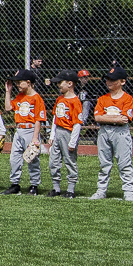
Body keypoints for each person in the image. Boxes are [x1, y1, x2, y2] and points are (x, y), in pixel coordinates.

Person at [92, 67, 133, 201]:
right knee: (104, 163)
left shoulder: (128, 99)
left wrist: (107, 117)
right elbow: (97, 118)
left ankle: (128, 191)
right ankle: (101, 190)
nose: (109, 82)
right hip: (104, 131)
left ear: (122, 82)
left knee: (124, 162)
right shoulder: (102, 99)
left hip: (120, 133)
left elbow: (124, 119)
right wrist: (115, 118)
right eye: (108, 79)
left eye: (113, 80)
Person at [4, 69, 47, 195]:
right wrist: (8, 91)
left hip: (31, 130)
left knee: (32, 159)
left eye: (19, 82)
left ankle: (34, 185)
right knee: (14, 158)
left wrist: (35, 138)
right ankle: (15, 184)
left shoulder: (36, 98)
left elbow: (39, 119)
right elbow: (8, 108)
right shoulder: (20, 97)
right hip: (19, 130)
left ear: (28, 82)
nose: (17, 85)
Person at [47, 69, 85, 198]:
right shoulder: (59, 99)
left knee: (70, 161)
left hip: (68, 133)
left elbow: (77, 123)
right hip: (58, 132)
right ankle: (56, 188)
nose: (58, 85)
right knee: (53, 161)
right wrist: (52, 136)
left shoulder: (75, 101)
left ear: (70, 84)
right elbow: (55, 118)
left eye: (60, 83)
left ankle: (70, 189)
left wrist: (73, 141)